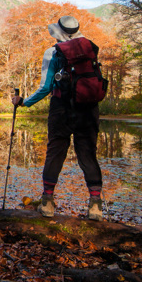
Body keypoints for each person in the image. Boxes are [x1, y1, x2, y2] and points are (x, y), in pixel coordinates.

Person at [11, 15, 104, 220]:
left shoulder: (52, 52)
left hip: (61, 108)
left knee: (55, 152)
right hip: (88, 109)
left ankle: (47, 203)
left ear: (58, 32)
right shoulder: (90, 48)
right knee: (88, 154)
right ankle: (95, 206)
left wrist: (24, 102)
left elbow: (45, 88)